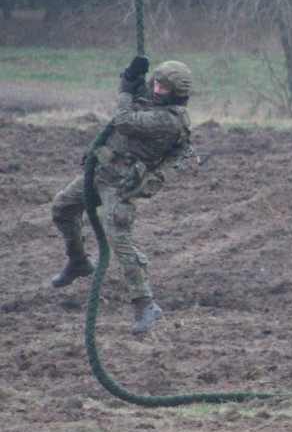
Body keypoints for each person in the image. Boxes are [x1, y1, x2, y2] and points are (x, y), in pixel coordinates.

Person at [50, 57, 193, 335]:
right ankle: (78, 261)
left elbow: (125, 121)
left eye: (164, 86)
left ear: (177, 92)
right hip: (101, 171)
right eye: (156, 82)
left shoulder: (169, 120)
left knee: (119, 241)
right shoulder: (155, 100)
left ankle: (145, 304)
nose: (156, 89)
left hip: (121, 184)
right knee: (61, 209)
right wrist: (128, 77)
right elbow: (132, 94)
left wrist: (126, 91)